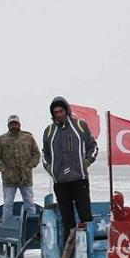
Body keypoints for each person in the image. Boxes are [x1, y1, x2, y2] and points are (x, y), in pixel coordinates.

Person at [42, 97, 98, 245]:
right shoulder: (49, 131)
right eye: (56, 112)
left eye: (61, 111)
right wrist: (49, 168)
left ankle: (88, 248)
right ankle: (69, 254)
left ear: (66, 111)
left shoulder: (80, 126)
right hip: (60, 182)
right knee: (67, 220)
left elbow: (93, 146)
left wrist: (86, 161)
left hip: (79, 179)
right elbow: (44, 154)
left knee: (85, 216)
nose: (59, 114)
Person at [0, 115, 41, 222]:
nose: (14, 125)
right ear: (8, 125)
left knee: (29, 203)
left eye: (15, 123)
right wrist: (4, 169)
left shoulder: (28, 138)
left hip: (25, 178)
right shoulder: (2, 139)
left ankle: (31, 225)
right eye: (11, 123)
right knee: (8, 204)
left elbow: (36, 154)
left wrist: (29, 166)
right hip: (9, 179)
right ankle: (7, 225)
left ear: (19, 124)